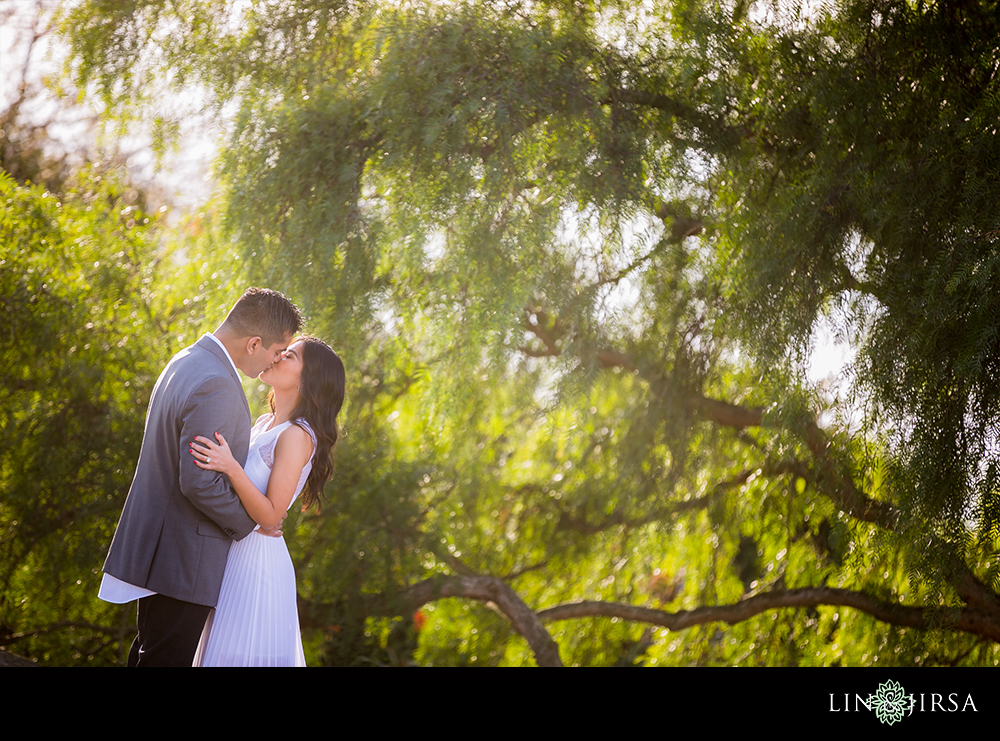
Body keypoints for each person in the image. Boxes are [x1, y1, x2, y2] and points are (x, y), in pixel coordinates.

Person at [99, 287, 303, 666]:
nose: (272, 363)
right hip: (187, 556)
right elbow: (199, 481)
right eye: (276, 353)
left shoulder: (186, 360)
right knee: (163, 658)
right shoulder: (218, 384)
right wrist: (251, 524)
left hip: (164, 549)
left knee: (150, 654)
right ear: (254, 343)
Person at [188, 336, 345, 667]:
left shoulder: (297, 435)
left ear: (308, 379)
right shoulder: (263, 424)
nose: (276, 357)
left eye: (289, 356)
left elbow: (272, 516)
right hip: (232, 553)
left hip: (257, 566)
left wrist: (231, 466)